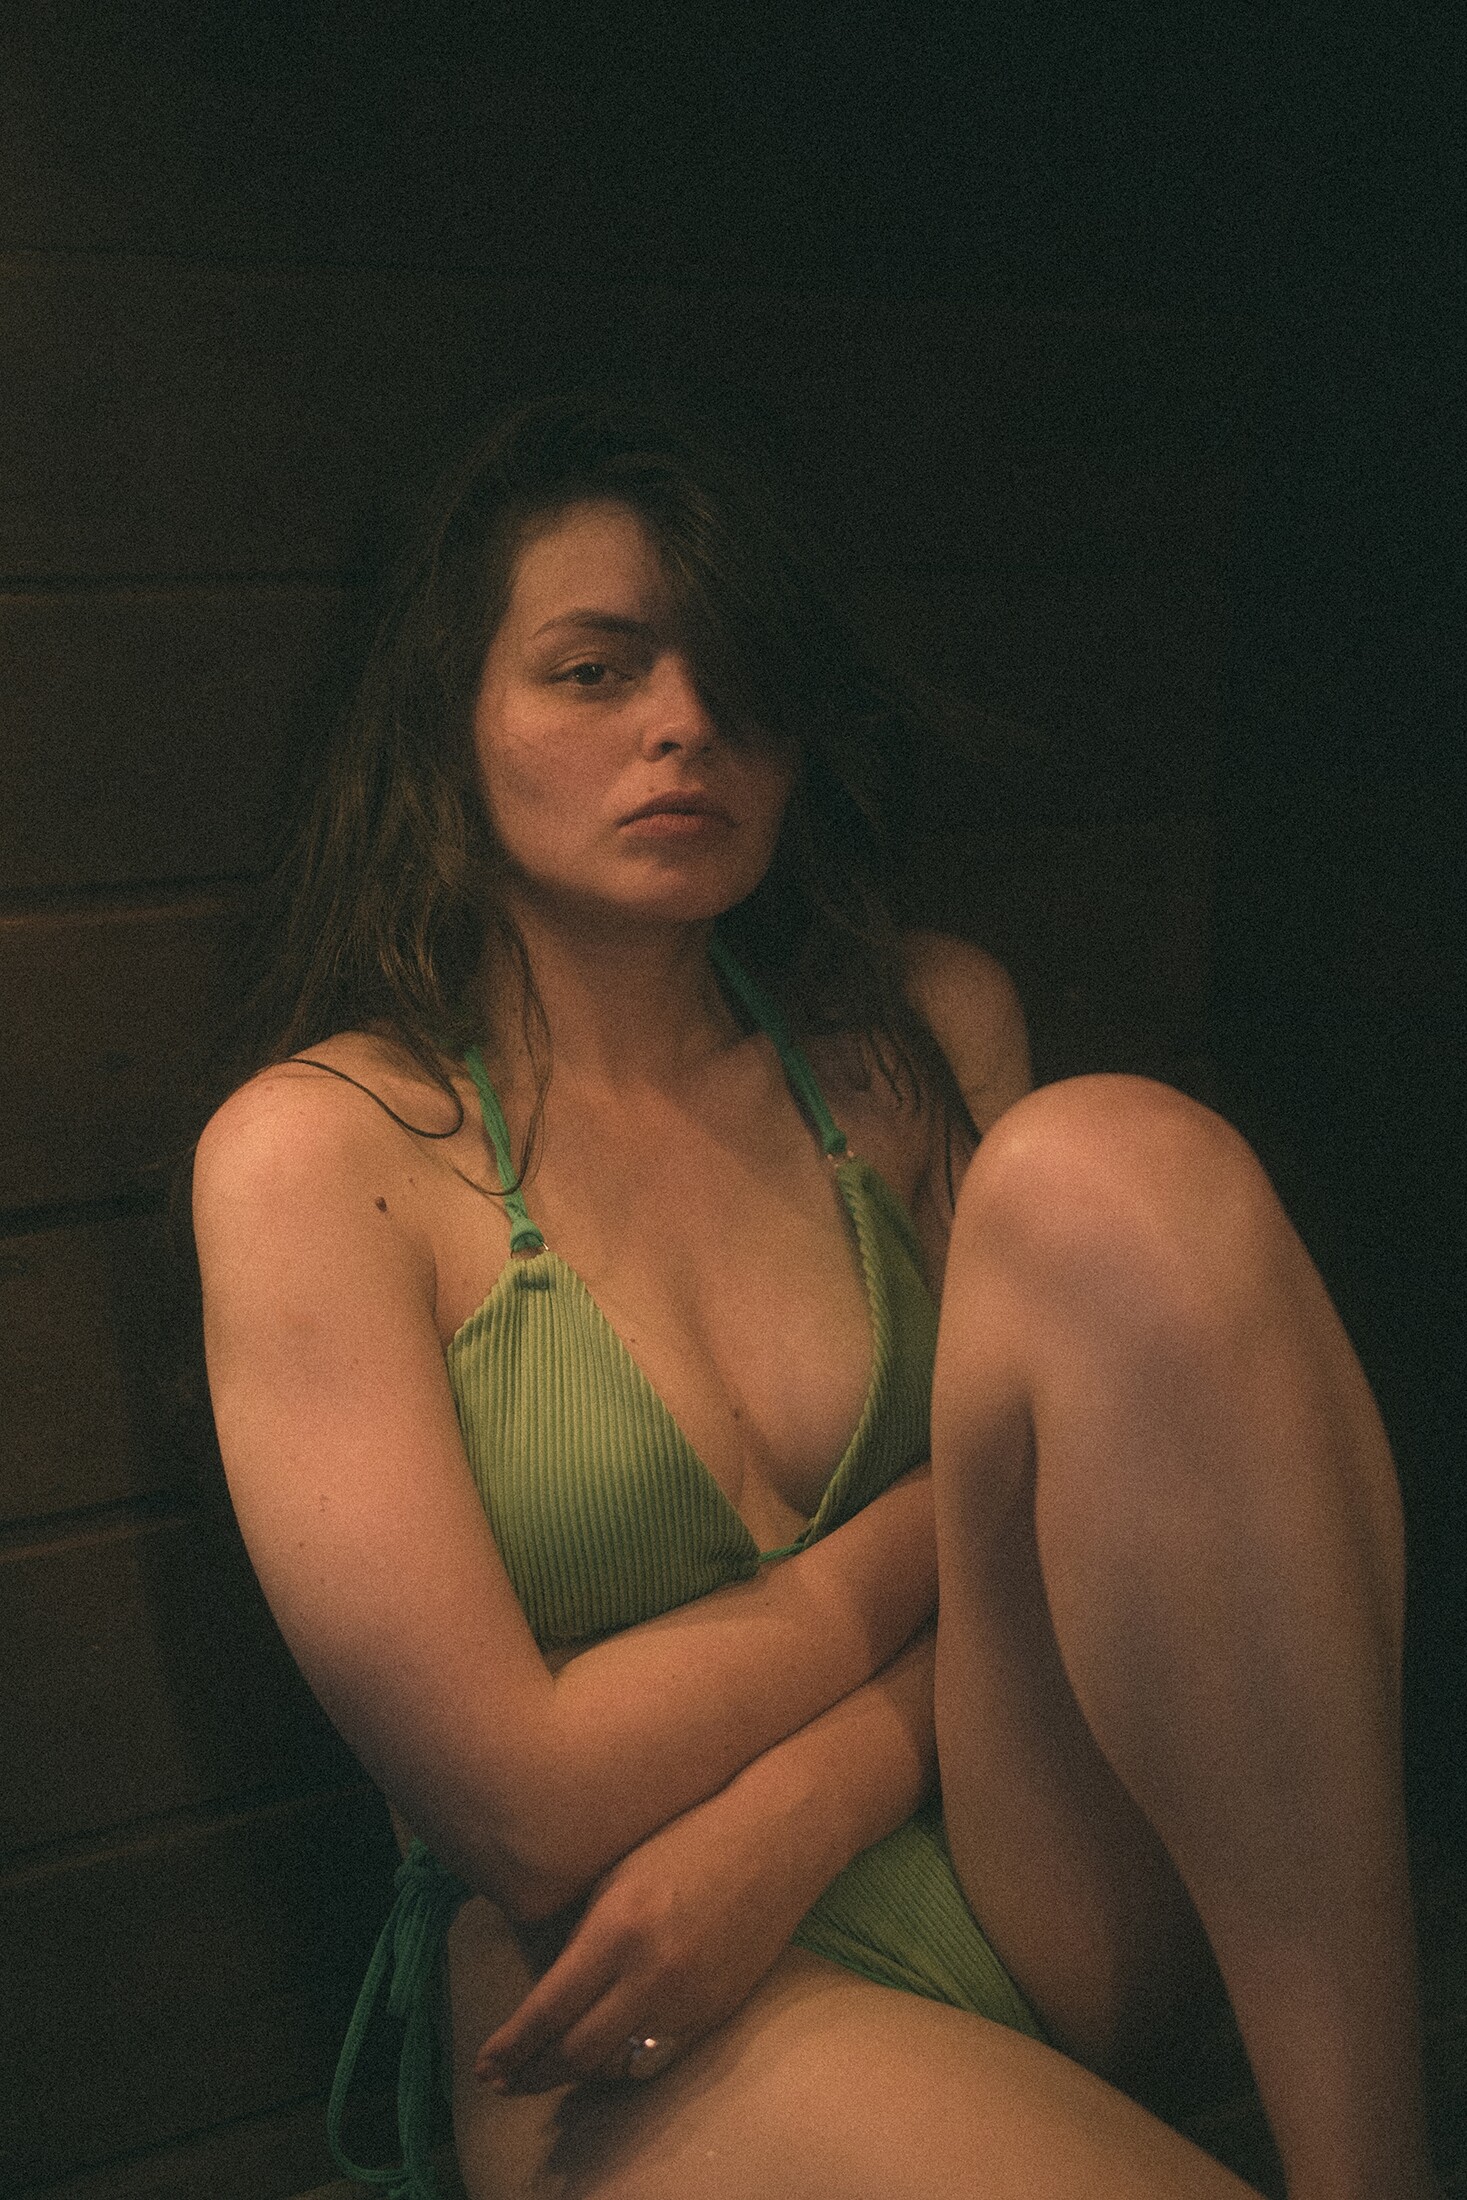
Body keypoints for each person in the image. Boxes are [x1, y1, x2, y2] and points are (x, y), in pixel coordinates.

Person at [193, 392, 1440, 2200]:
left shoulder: (914, 1038)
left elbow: (1156, 1553)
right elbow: (529, 1810)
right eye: (595, 671)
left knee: (1116, 1163)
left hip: (1019, 1858)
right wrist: (970, 1505)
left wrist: (799, 1809)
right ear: (441, 720)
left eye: (738, 677)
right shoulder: (324, 1157)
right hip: (619, 1976)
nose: (685, 725)